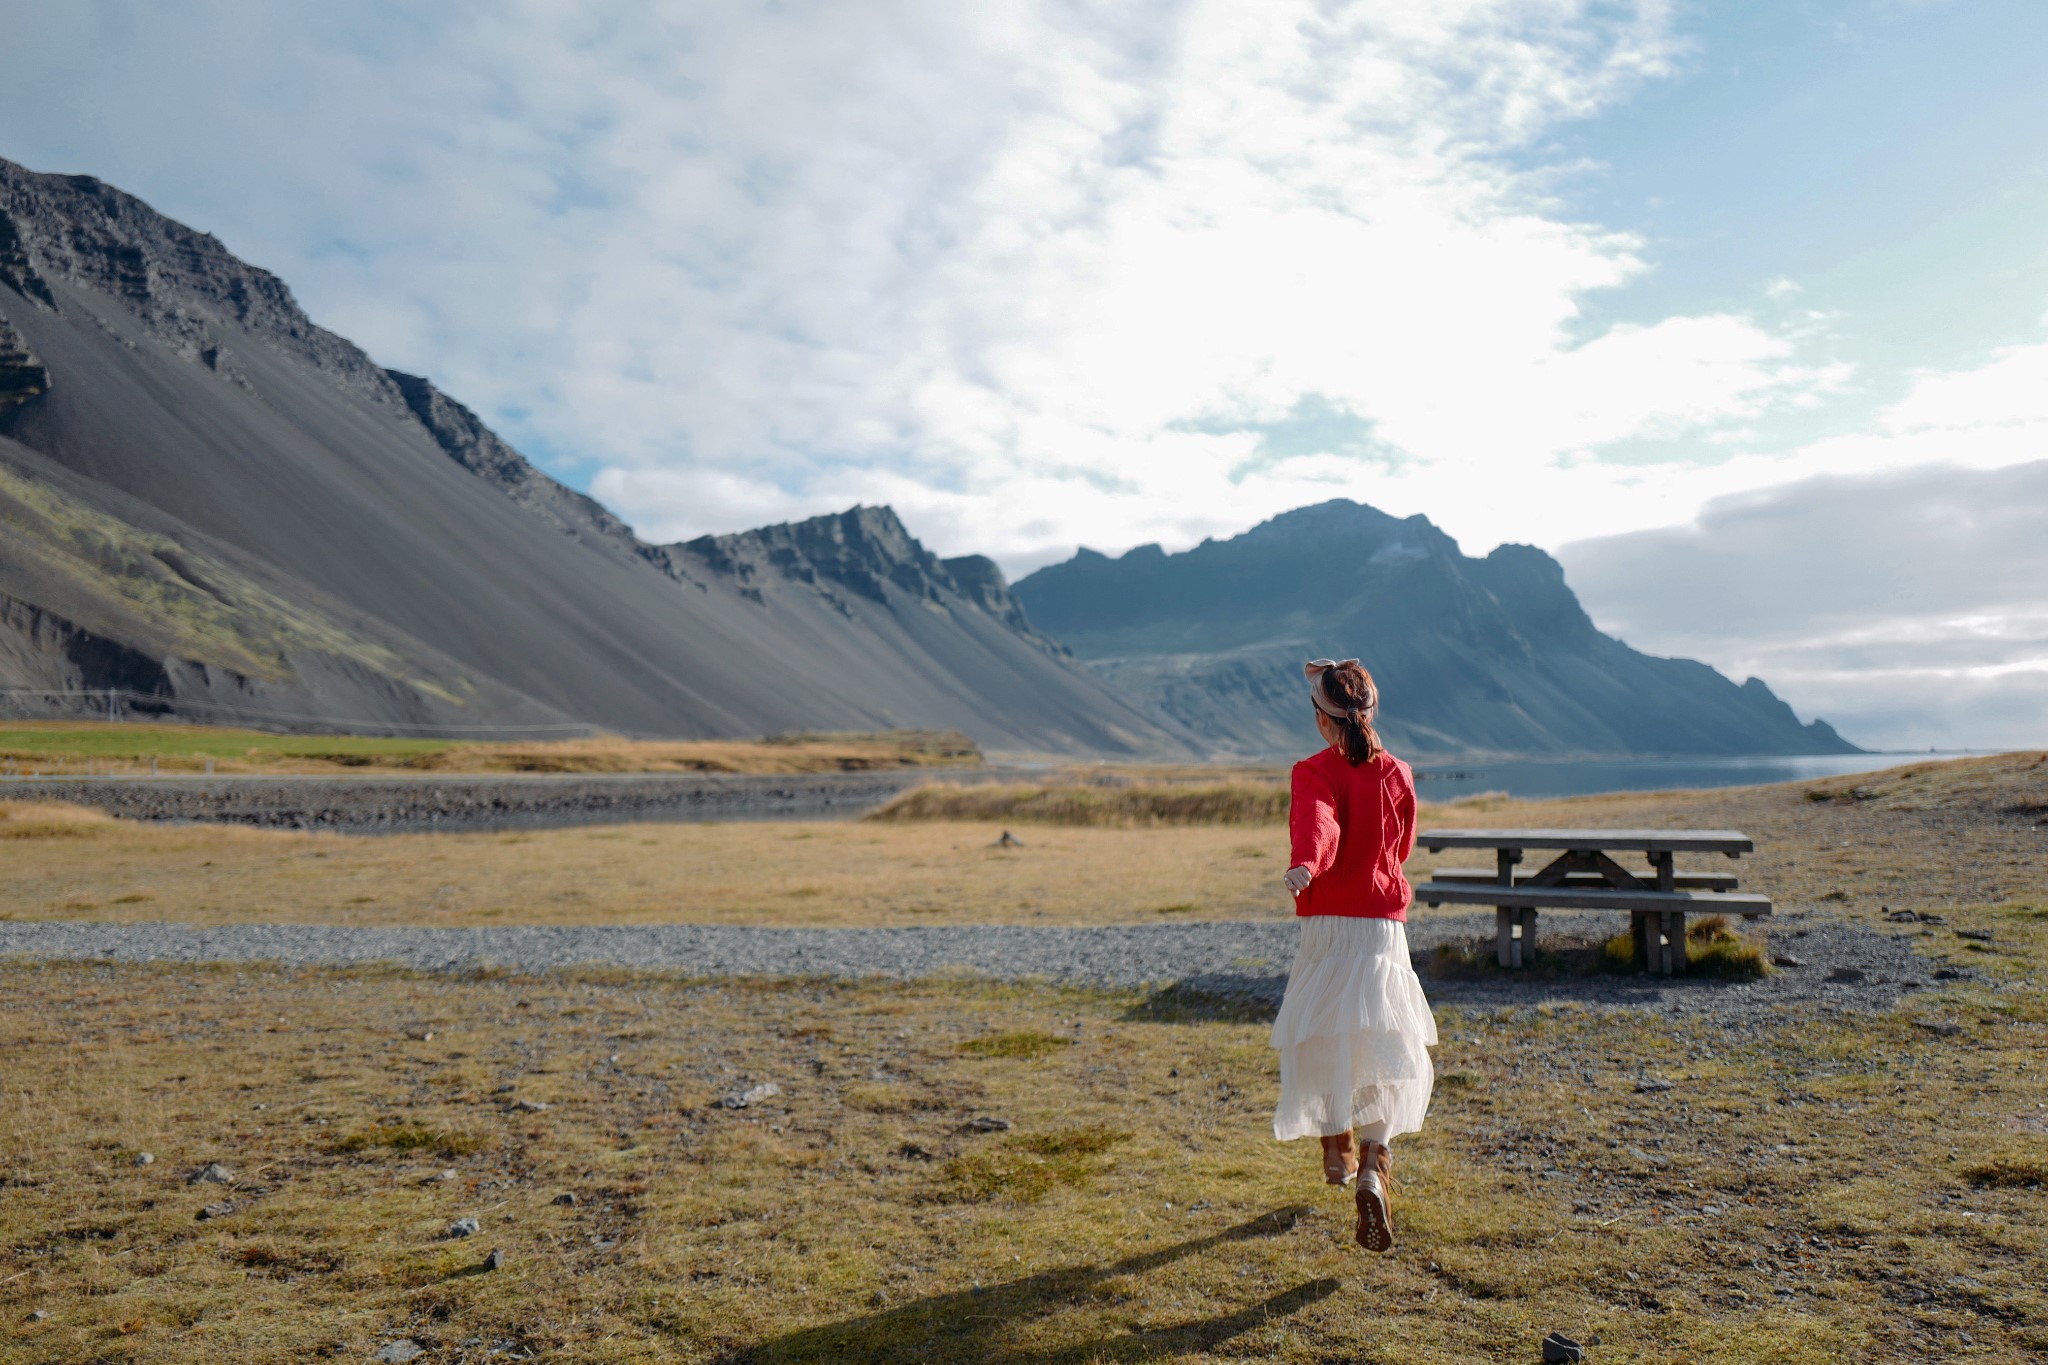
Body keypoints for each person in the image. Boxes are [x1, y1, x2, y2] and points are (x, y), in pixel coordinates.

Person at [1270, 658, 1437, 1252]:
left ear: (1323, 721)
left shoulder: (1313, 770)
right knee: (1386, 1045)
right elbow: (1403, 846)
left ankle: (1335, 1147)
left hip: (1331, 923)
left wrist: (1307, 865)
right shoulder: (1398, 773)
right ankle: (1372, 1164)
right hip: (1382, 927)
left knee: (1325, 1037)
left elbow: (1320, 825)